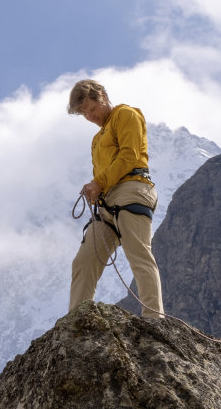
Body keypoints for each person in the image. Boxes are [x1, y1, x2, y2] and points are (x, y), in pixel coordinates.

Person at [67, 79, 164, 319]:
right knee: (85, 261)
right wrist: (97, 188)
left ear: (103, 97)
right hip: (107, 201)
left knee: (138, 255)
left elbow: (129, 156)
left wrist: (98, 183)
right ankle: (77, 322)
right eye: (84, 114)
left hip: (132, 189)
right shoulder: (97, 139)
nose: (90, 116)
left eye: (92, 109)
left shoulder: (126, 115)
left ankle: (155, 319)